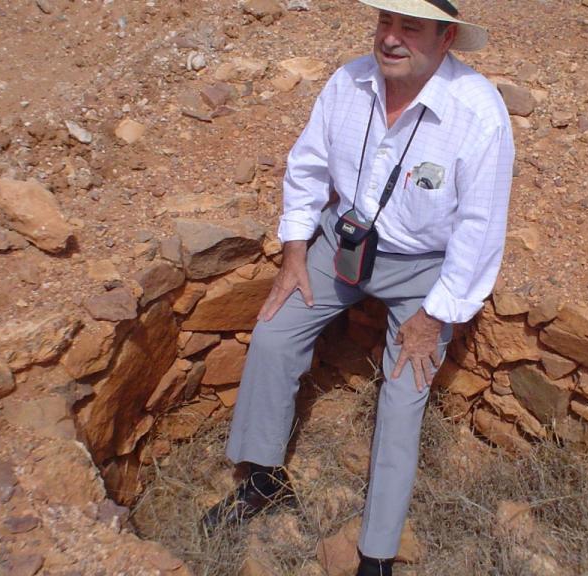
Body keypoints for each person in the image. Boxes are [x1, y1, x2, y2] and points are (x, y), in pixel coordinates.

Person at [202, 1, 514, 574]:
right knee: (273, 334)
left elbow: (479, 228)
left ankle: (376, 555)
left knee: (404, 392)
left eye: (410, 28)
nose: (391, 39)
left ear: (445, 39)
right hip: (345, 243)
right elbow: (308, 167)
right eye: (385, 23)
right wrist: (295, 251)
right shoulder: (348, 81)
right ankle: (263, 481)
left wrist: (435, 314)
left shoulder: (479, 113)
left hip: (426, 267)